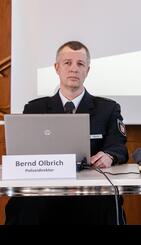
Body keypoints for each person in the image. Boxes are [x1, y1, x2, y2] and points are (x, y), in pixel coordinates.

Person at [5, 41, 128, 225]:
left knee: (108, 204)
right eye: (67, 63)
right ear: (56, 68)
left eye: (80, 64)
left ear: (88, 70)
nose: (74, 69)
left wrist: (109, 155)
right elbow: (22, 152)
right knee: (22, 204)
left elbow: (118, 146)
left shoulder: (108, 108)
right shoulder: (34, 108)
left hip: (89, 191)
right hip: (45, 190)